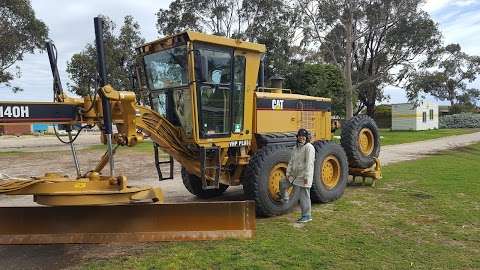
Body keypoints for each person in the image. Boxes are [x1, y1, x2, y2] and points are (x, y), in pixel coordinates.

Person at [280, 128, 316, 223]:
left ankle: (306, 215)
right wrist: (288, 173)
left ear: (306, 137)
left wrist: (307, 178)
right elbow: (291, 161)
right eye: (300, 136)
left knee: (304, 195)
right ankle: (285, 198)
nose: (301, 138)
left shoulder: (309, 147)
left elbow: (309, 164)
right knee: (282, 183)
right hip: (293, 175)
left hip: (303, 176)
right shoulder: (295, 147)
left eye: (303, 136)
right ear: (297, 137)